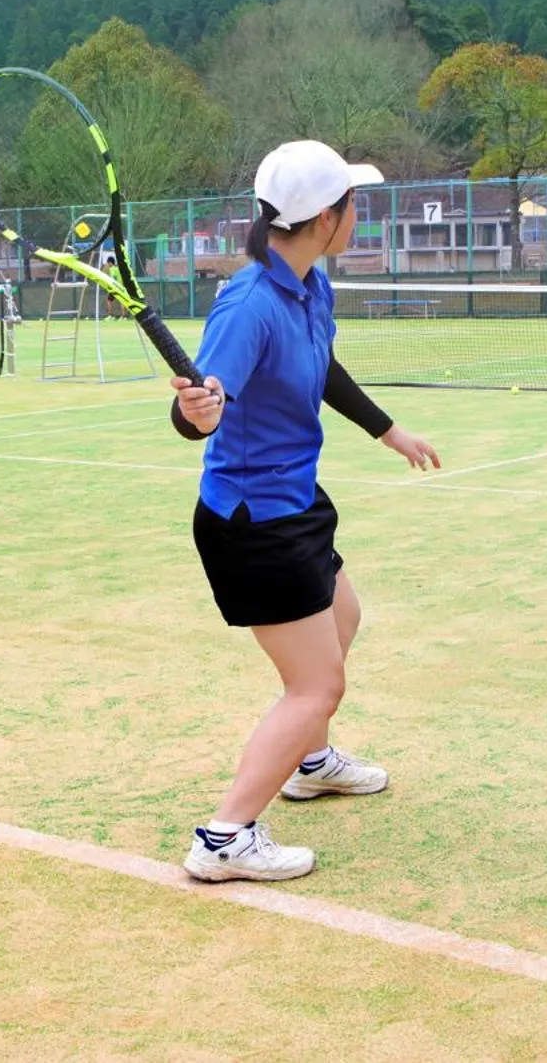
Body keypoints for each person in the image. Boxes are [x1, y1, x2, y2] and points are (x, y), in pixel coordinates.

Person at [171, 140, 440, 882]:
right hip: (253, 524)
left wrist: (390, 431)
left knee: (343, 617)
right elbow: (202, 408)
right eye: (354, 204)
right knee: (318, 684)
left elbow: (324, 368)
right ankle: (225, 837)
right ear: (327, 216)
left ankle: (309, 762)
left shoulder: (309, 286)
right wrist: (195, 409)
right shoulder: (250, 302)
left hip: (296, 503)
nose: (359, 214)